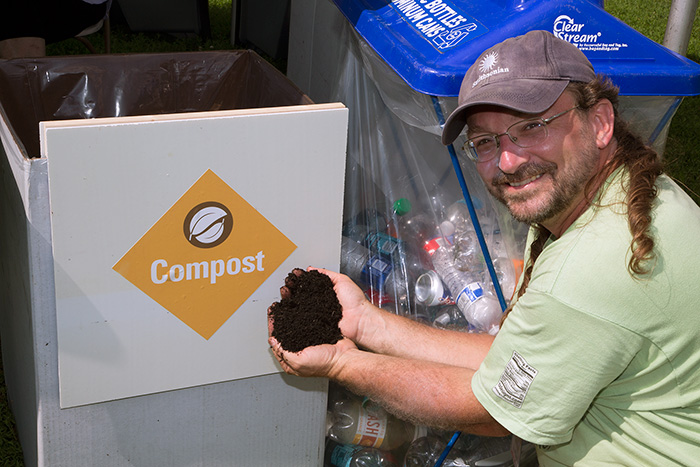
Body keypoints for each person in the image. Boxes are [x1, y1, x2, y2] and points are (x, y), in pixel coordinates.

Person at [268, 30, 700, 465]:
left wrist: (344, 365)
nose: (508, 162)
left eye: (532, 126)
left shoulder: (591, 268)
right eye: (485, 142)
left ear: (600, 121)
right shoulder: (616, 198)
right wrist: (365, 324)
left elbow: (493, 409)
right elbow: (514, 359)